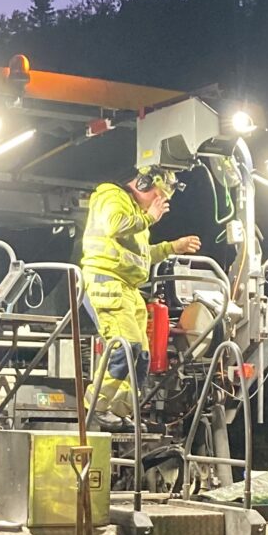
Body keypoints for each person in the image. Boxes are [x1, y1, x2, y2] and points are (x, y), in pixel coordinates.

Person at [79, 166, 201, 421]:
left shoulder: (137, 214)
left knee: (141, 356)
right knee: (125, 347)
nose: (161, 203)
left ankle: (120, 411)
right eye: (159, 195)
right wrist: (149, 218)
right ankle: (96, 406)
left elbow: (142, 256)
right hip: (107, 282)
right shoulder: (112, 195)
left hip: (129, 289)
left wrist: (172, 247)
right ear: (143, 184)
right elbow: (114, 225)